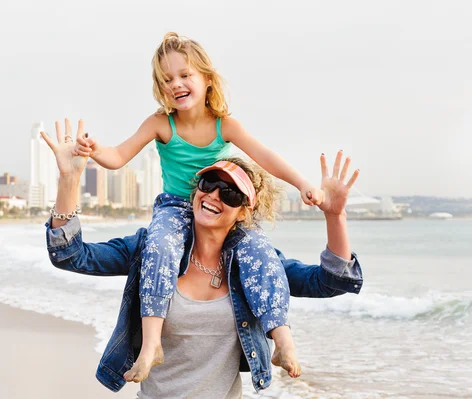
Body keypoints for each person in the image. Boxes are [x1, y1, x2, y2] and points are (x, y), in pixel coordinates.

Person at [42, 118, 363, 397]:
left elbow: (329, 282)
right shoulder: (153, 249)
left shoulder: (256, 266)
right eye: (209, 183)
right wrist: (69, 179)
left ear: (243, 211)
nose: (213, 195)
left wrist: (335, 217)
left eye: (230, 193)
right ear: (195, 192)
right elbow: (71, 256)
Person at [71, 32, 326, 382]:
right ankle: (151, 345)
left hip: (220, 209)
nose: (176, 84)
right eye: (167, 79)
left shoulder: (225, 125)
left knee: (260, 251)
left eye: (184, 75)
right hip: (176, 208)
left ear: (207, 78)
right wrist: (94, 149)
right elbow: (117, 156)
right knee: (158, 248)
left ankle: (282, 338)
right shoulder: (161, 123)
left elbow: (266, 157)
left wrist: (304, 184)